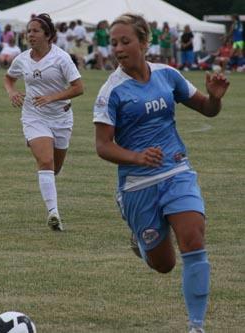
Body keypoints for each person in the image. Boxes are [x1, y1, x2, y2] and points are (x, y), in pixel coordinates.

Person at [93, 13, 229, 333]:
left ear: (144, 41)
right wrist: (137, 157)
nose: (119, 49)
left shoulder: (168, 75)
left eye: (125, 41)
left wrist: (214, 98)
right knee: (164, 265)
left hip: (176, 171)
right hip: (138, 185)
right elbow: (102, 146)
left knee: (193, 240)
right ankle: (141, 243)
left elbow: (207, 109)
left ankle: (196, 326)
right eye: (114, 43)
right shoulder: (111, 91)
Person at [4, 13, 83, 231]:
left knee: (54, 168)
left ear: (48, 35)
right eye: (29, 31)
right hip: (34, 115)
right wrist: (11, 92)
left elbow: (79, 87)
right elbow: (9, 78)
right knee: (46, 161)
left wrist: (52, 97)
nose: (30, 35)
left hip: (61, 117)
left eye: (35, 31)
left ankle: (46, 174)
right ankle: (53, 214)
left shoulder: (61, 58)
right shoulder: (22, 59)